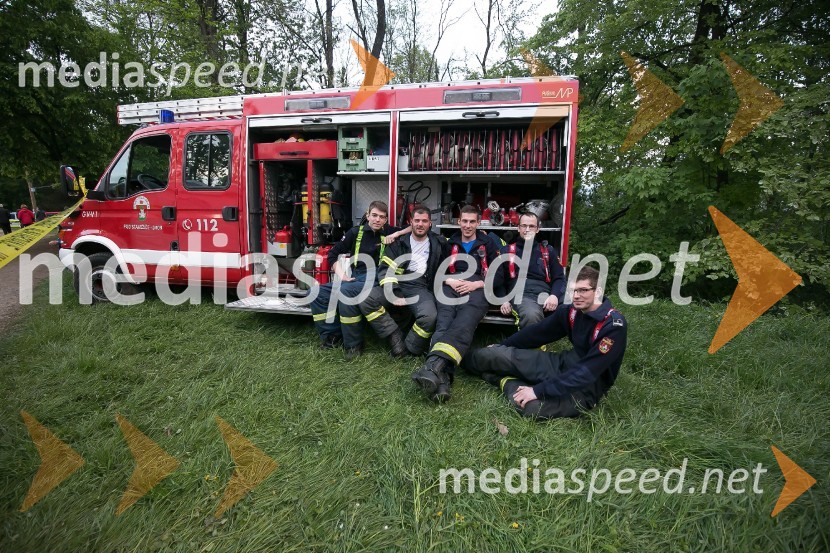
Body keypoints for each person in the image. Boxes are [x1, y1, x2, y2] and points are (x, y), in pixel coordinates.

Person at [462, 265, 627, 420]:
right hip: (562, 364)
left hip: (587, 386)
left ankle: (501, 380)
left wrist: (537, 391)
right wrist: (503, 344)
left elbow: (586, 372)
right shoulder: (571, 312)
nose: (576, 296)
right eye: (573, 290)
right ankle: (457, 364)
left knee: (531, 407)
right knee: (493, 354)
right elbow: (537, 333)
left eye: (583, 290)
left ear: (598, 291)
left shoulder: (612, 326)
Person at [411, 204, 502, 402]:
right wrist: (448, 280)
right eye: (464, 221)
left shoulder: (489, 243)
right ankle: (442, 378)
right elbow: (436, 270)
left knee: (465, 320)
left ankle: (434, 366)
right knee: (444, 321)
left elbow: (500, 274)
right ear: (458, 222)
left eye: (472, 222)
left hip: (478, 287)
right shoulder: (448, 243)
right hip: (450, 284)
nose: (468, 225)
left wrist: (477, 284)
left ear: (478, 223)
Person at [310, 201, 404, 360]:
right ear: (367, 215)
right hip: (355, 276)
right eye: (374, 215)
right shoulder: (355, 232)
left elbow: (413, 228)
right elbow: (333, 254)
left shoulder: (388, 231)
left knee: (345, 292)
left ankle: (353, 345)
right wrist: (342, 275)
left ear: (386, 220)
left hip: (376, 278)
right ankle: (332, 336)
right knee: (316, 292)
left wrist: (395, 234)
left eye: (382, 217)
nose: (377, 220)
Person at [361, 206, 449, 357]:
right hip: (397, 282)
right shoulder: (398, 243)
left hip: (420, 286)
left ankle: (409, 347)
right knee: (366, 300)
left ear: (430, 223)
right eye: (417, 220)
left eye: (424, 221)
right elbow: (386, 270)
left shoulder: (439, 243)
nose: (420, 224)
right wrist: (393, 292)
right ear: (411, 222)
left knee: (429, 317)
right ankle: (394, 337)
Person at [498, 212, 566, 329]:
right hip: (522, 294)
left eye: (532, 226)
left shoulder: (548, 251)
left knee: (573, 306)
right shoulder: (506, 251)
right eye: (524, 226)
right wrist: (504, 300)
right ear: (518, 228)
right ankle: (534, 345)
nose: (527, 229)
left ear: (538, 229)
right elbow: (498, 281)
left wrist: (554, 296)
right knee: (531, 315)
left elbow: (559, 278)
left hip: (546, 292)